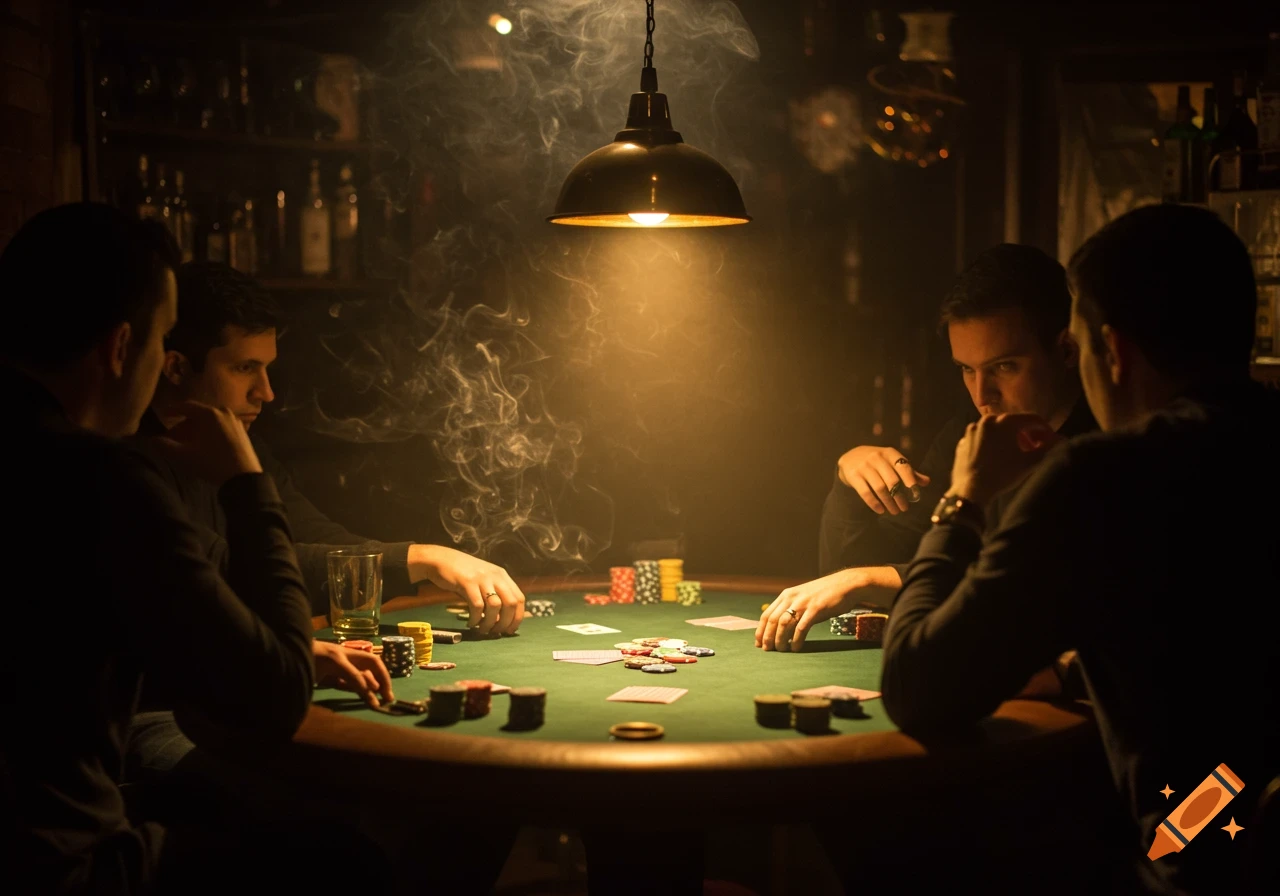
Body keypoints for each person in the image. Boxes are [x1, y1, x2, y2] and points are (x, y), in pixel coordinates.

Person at [880, 205, 1280, 895]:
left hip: (1195, 855)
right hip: (1250, 819)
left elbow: (918, 686)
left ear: (1109, 350)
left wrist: (962, 500)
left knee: (905, 846)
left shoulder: (1102, 476)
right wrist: (1067, 674)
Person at [0, 202, 391, 893]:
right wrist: (248, 486)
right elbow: (274, 694)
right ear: (124, 350)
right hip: (63, 870)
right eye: (158, 347)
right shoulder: (100, 478)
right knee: (348, 861)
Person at [143, 261, 524, 635]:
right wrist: (420, 558)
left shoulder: (243, 443)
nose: (266, 393)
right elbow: (233, 573)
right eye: (245, 368)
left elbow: (318, 540)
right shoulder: (130, 465)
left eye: (267, 370)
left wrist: (425, 557)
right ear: (176, 368)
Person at [758, 244, 1097, 651]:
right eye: (966, 370)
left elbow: (1025, 588)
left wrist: (868, 580)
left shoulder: (1106, 447)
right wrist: (849, 480)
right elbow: (849, 578)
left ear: (1065, 351)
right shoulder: (966, 434)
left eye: (1004, 366)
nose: (982, 394)